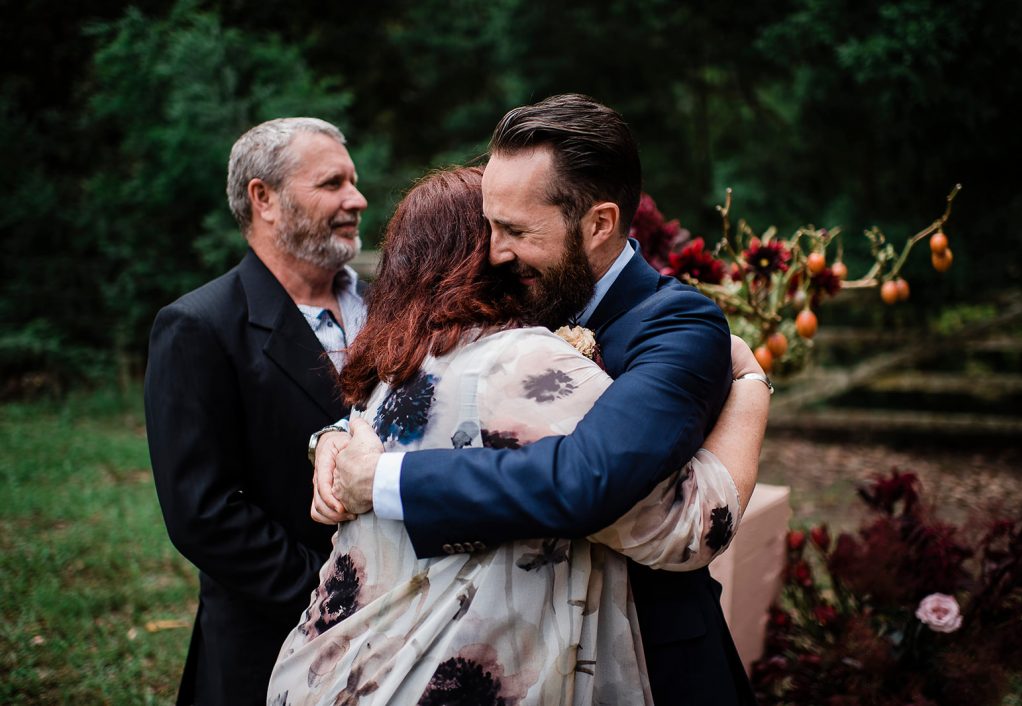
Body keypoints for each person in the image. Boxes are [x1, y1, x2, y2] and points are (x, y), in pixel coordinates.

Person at [313, 94, 768, 704]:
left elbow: (590, 478)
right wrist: (335, 435)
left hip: (650, 661)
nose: (494, 251)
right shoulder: (519, 291)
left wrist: (387, 479)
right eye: (490, 224)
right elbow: (437, 386)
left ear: (599, 223)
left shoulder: (677, 327)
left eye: (515, 230)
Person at [144, 117, 369, 706]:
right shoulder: (198, 327)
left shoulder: (387, 304)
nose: (357, 199)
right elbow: (203, 512)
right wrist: (332, 592)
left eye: (354, 181)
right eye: (332, 184)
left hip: (403, 626)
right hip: (273, 637)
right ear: (263, 199)